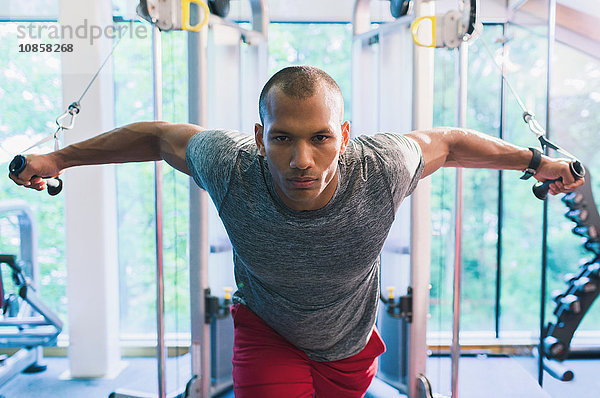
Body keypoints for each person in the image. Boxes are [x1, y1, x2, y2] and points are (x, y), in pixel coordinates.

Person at [9, 65, 583, 397]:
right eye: (282, 137)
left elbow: (452, 143)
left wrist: (536, 160)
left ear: (346, 136)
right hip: (267, 331)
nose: (302, 159)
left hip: (351, 345)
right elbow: (158, 136)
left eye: (320, 138)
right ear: (260, 136)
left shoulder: (380, 168)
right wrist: (59, 157)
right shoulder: (231, 164)